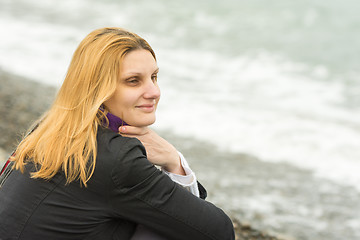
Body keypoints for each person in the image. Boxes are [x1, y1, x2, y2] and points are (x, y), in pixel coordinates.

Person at [0, 27, 235, 240]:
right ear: (97, 89)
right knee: (162, 227)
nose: (154, 91)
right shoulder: (115, 157)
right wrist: (175, 161)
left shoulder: (49, 130)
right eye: (133, 81)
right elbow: (217, 231)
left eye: (154, 77)